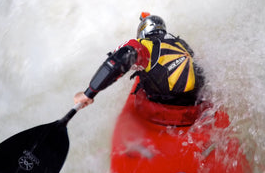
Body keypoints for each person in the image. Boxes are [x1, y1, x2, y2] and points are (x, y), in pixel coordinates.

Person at [74, 12, 205, 122]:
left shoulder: (142, 45)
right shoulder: (180, 42)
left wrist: (89, 93)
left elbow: (118, 61)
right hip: (194, 100)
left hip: (165, 104)